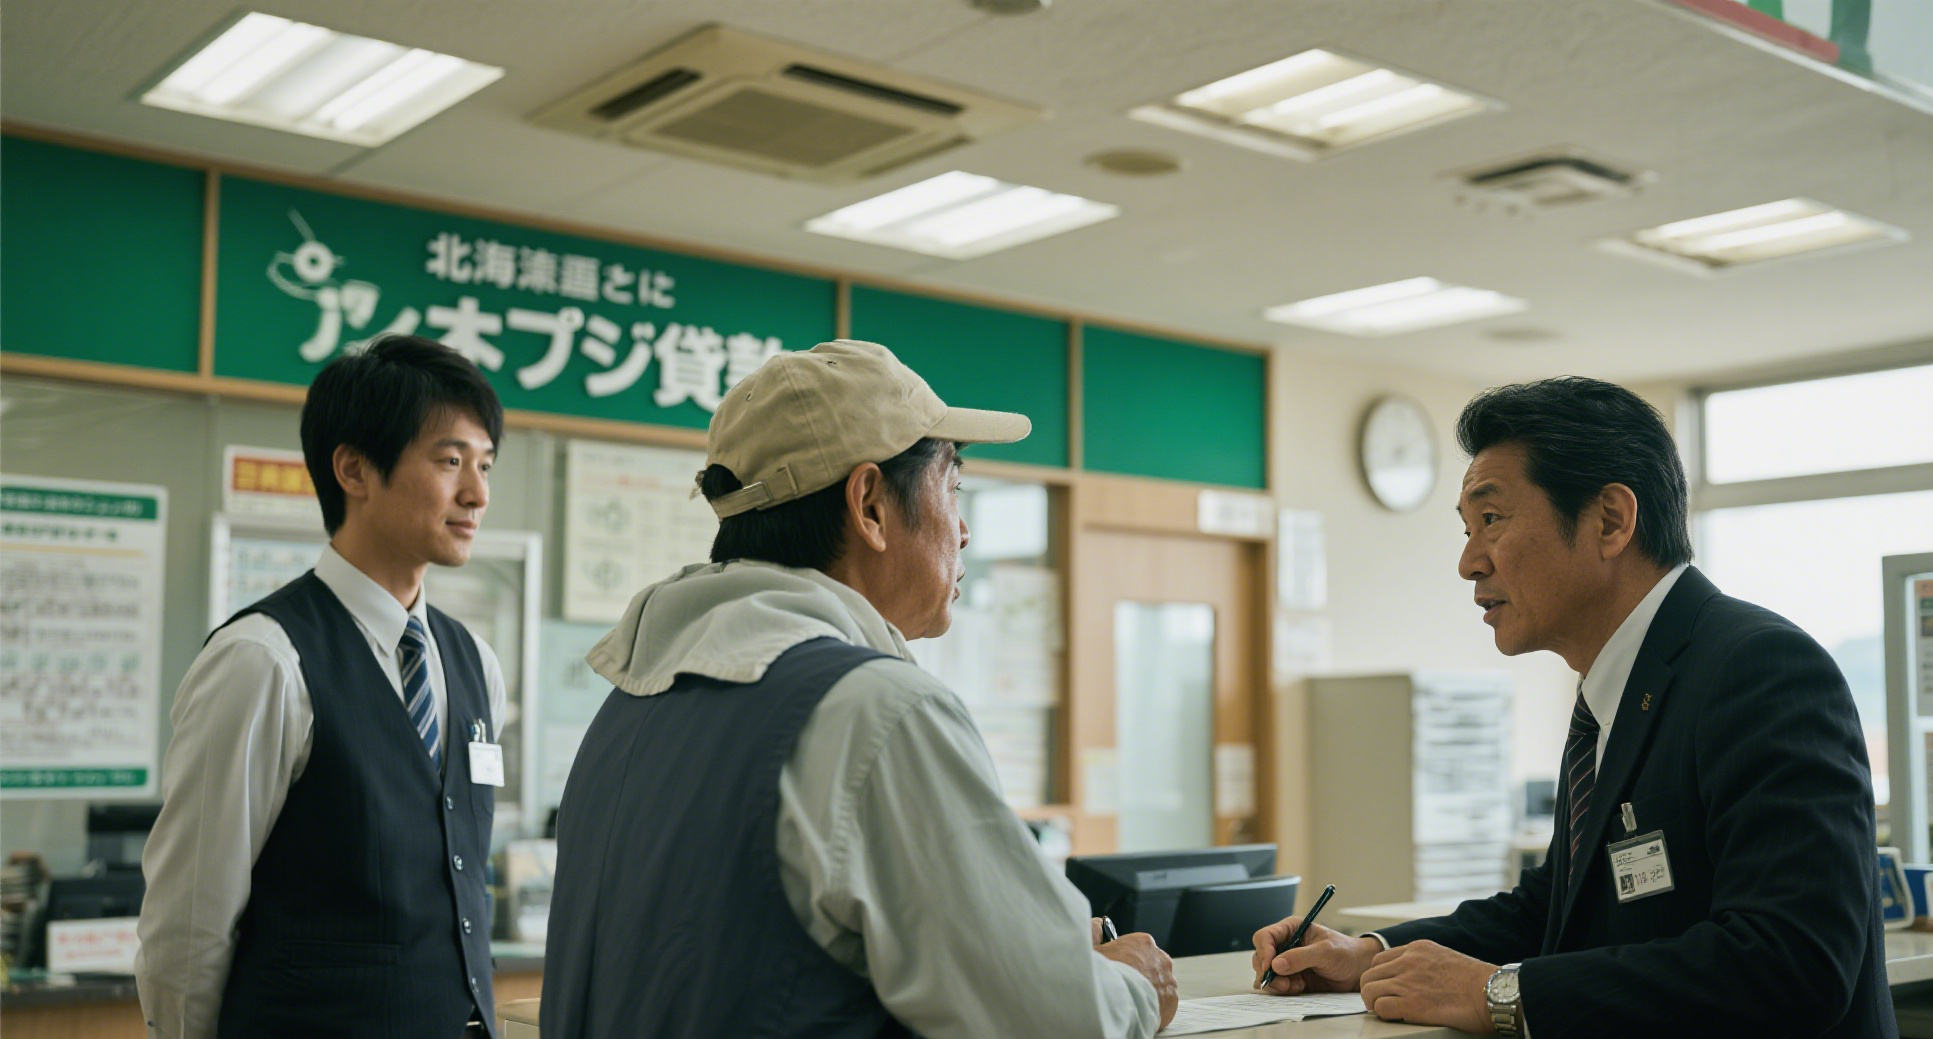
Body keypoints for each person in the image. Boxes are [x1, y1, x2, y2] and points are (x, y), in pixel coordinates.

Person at [541, 339, 1177, 1039]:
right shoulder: (877, 711)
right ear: (869, 503)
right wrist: (1127, 985)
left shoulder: (629, 702)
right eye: (951, 487)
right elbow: (1056, 1021)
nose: (963, 530)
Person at [1252, 377, 1896, 1038]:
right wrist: (1371, 955)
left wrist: (1498, 994)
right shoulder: (1611, 692)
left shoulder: (1759, 671)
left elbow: (1792, 965)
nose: (1469, 561)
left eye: (1492, 520)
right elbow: (1558, 905)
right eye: (1467, 529)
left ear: (1610, 520)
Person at [135, 336, 510, 1039]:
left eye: (485, 464)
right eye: (450, 459)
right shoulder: (263, 660)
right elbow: (189, 918)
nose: (477, 493)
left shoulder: (474, 662)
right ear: (354, 468)